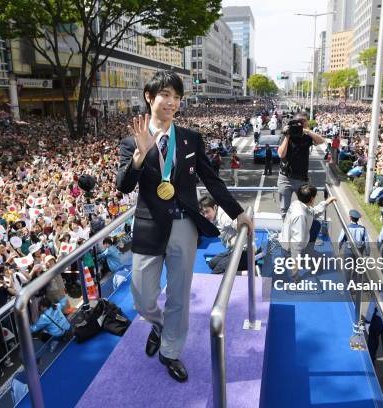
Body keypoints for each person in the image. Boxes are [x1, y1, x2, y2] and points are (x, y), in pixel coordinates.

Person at [116, 71, 252, 383]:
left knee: (179, 293)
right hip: (149, 226)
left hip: (183, 225)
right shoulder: (131, 141)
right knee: (142, 298)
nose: (173, 102)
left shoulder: (190, 139)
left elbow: (210, 179)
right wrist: (138, 156)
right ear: (150, 97)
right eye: (166, 95)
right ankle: (159, 325)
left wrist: (237, 212)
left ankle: (171, 351)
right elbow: (122, 186)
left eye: (177, 97)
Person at [278, 184, 336, 280]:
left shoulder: (297, 203)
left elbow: (313, 212)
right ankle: (298, 263)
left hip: (288, 244)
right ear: (312, 198)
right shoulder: (300, 216)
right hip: (290, 251)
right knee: (321, 261)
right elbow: (296, 244)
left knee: (316, 224)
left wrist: (326, 202)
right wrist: (295, 273)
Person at [277, 112, 326, 217]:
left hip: (302, 178)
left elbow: (321, 141)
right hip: (285, 178)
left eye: (304, 121)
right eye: (300, 121)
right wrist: (287, 136)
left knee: (306, 208)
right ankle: (287, 231)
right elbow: (281, 154)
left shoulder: (307, 136)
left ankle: (304, 229)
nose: (302, 123)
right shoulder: (287, 135)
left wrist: (307, 131)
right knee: (284, 210)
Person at [337, 209, 370, 283]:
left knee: (347, 268)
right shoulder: (363, 229)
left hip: (348, 250)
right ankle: (355, 284)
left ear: (350, 218)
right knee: (356, 267)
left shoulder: (346, 228)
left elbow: (340, 239)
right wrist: (367, 252)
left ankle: (347, 285)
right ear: (358, 219)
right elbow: (367, 242)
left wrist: (339, 247)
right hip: (359, 250)